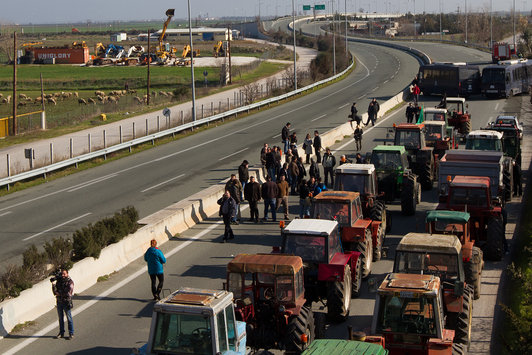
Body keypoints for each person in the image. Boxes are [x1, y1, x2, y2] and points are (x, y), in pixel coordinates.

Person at [53, 269, 75, 339]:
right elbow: (55, 292)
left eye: (64, 274)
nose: (63, 275)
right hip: (59, 302)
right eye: (62, 274)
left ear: (67, 274)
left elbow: (69, 293)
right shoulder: (59, 282)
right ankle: (61, 333)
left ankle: (71, 333)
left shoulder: (70, 282)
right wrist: (53, 285)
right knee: (60, 318)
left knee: (69, 318)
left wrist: (60, 293)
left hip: (66, 302)